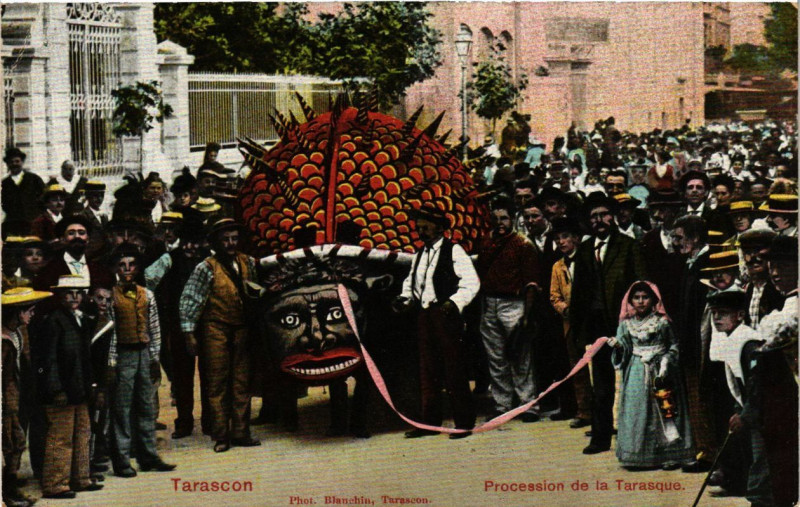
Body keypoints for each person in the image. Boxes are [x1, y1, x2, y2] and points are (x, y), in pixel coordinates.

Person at [393, 206, 480, 439]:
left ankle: (463, 423)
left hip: (445, 316)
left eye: (426, 227)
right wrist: (405, 299)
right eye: (418, 227)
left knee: (454, 370)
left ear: (440, 227)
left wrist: (454, 302)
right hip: (425, 317)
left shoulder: (454, 251)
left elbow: (471, 282)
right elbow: (411, 283)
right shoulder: (419, 254)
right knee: (427, 371)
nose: (421, 231)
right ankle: (429, 423)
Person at [570, 192, 644, 454]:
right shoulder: (585, 250)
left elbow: (639, 284)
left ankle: (634, 439)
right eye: (593, 216)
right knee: (600, 385)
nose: (599, 220)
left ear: (612, 216)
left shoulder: (628, 245)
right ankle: (600, 439)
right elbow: (578, 291)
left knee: (632, 381)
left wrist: (636, 320)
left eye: (603, 214)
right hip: (596, 324)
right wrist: (578, 330)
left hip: (624, 323)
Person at [179, 219, 260, 452]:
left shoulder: (248, 262)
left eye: (234, 238)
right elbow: (189, 300)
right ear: (216, 242)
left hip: (242, 328)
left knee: (242, 381)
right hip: (215, 329)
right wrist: (189, 333)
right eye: (225, 239)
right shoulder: (206, 267)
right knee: (217, 383)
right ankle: (221, 436)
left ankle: (241, 432)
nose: (230, 243)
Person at [608, 281, 694, 469]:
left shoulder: (662, 322)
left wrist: (666, 361)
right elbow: (625, 349)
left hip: (661, 370)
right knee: (637, 409)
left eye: (645, 297)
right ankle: (638, 455)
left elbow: (673, 346)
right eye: (636, 298)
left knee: (665, 409)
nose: (640, 302)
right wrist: (617, 346)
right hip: (637, 371)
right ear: (630, 301)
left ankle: (669, 455)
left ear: (653, 300)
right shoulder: (626, 325)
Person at [107, 246, 176, 476]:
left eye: (131, 265)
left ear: (138, 268)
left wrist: (154, 357)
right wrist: (112, 362)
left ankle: (149, 456)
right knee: (122, 408)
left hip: (144, 353)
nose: (127, 269)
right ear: (116, 268)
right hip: (124, 355)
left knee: (146, 407)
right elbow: (112, 332)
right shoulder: (111, 296)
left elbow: (154, 327)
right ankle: (122, 460)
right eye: (122, 265)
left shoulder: (147, 294)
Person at [36, 275, 103, 499]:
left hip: (79, 388)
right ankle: (56, 483)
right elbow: (49, 359)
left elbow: (84, 357)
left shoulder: (80, 319)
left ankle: (80, 478)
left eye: (79, 292)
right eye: (69, 292)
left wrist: (90, 385)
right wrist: (56, 389)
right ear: (60, 296)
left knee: (83, 433)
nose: (74, 296)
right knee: (61, 437)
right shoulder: (53, 321)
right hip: (62, 391)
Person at [476, 199, 540, 422]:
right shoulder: (486, 242)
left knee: (520, 355)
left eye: (504, 218)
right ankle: (502, 404)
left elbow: (532, 282)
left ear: (512, 219)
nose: (499, 222)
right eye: (495, 218)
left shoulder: (523, 244)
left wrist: (527, 315)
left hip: (514, 303)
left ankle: (528, 404)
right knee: (496, 356)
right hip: (489, 302)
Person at [706, 288, 771, 504]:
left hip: (764, 413)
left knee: (762, 462)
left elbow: (757, 385)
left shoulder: (747, 342)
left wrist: (744, 414)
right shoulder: (732, 338)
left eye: (722, 313)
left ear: (740, 315)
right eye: (714, 313)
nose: (716, 319)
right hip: (752, 411)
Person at [145, 220, 206, 439]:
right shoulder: (169, 259)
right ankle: (184, 422)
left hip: (206, 324)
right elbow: (147, 281)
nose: (191, 248)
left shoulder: (210, 258)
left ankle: (209, 420)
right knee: (182, 375)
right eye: (187, 243)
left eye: (196, 243)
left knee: (209, 374)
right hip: (178, 324)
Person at [2, 287, 52, 507]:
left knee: (17, 442)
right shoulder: (3, 340)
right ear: (16, 312)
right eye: (28, 311)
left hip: (15, 398)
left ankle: (12, 490)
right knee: (6, 445)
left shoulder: (18, 333)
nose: (32, 315)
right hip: (4, 400)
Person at [548, 216, 591, 429]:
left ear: (576, 238)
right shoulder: (558, 266)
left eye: (565, 237)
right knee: (577, 368)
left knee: (595, 368)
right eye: (557, 239)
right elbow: (554, 296)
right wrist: (565, 309)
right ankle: (584, 411)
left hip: (590, 321)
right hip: (570, 323)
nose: (561, 242)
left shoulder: (588, 258)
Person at [2, 147, 45, 236]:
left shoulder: (34, 179)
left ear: (22, 162)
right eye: (11, 162)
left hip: (33, 225)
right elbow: (4, 204)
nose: (14, 164)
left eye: (17, 161)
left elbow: (44, 199)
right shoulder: (5, 183)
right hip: (13, 227)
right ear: (7, 164)